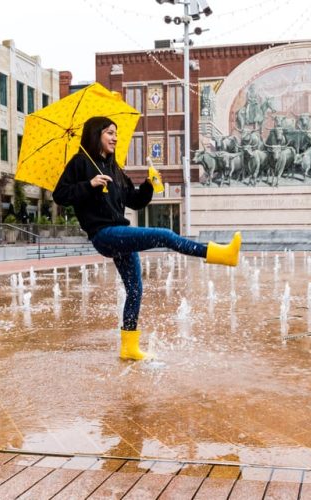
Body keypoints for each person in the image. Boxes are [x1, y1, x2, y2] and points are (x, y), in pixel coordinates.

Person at [53, 116, 241, 361]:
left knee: (134, 290)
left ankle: (129, 347)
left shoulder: (114, 168)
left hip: (120, 235)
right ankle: (218, 254)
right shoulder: (80, 163)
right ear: (96, 134)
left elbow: (135, 200)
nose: (115, 138)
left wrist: (150, 184)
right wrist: (89, 184)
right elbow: (60, 195)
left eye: (116, 133)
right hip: (104, 235)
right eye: (110, 132)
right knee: (164, 235)